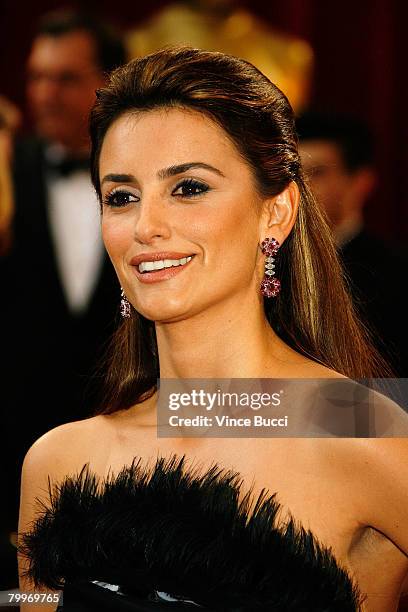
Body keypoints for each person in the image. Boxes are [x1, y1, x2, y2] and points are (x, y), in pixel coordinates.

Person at [17, 47, 408, 611]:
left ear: (276, 211)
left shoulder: (359, 428)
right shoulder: (59, 461)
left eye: (189, 188)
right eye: (121, 197)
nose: (146, 227)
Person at [0, 10, 127, 580]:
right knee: (24, 596)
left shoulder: (147, 179)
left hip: (125, 452)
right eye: (36, 78)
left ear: (110, 80)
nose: (46, 95)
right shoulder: (5, 171)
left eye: (66, 78)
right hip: (9, 451)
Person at [297, 111, 408, 376]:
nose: (299, 186)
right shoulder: (260, 265)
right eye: (291, 172)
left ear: (360, 183)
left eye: (317, 173)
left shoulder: (397, 275)